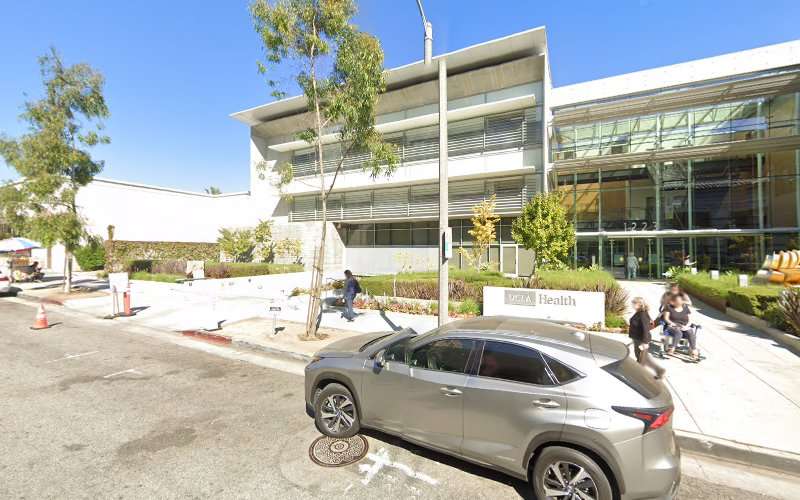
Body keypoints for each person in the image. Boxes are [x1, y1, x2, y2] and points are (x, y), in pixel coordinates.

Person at [628, 297, 665, 379]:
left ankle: (639, 376)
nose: (632, 305)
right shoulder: (640, 312)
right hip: (638, 338)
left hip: (641, 340)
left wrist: (645, 342)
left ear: (639, 304)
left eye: (633, 304)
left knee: (640, 359)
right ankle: (659, 370)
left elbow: (645, 329)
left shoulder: (642, 314)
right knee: (644, 358)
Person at [664, 293, 699, 360]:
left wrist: (687, 326)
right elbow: (666, 318)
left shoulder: (685, 308)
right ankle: (672, 348)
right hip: (672, 326)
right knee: (678, 332)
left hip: (684, 326)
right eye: (677, 300)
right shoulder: (669, 307)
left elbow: (690, 319)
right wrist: (673, 324)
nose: (680, 302)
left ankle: (694, 350)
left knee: (690, 331)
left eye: (680, 300)